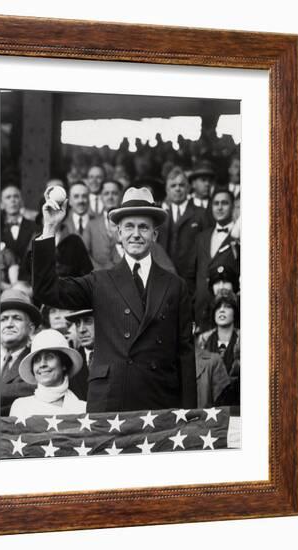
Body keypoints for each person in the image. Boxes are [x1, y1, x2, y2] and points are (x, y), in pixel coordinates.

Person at [32, 186, 197, 413]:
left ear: (155, 235)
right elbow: (46, 291)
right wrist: (50, 226)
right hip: (111, 403)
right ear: (118, 233)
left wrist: (189, 414)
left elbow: (185, 356)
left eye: (144, 227)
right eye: (129, 226)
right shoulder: (100, 281)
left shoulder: (175, 286)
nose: (136, 234)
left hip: (160, 403)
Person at [9, 329, 86, 416]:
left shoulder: (82, 408)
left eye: (49, 357)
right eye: (37, 360)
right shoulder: (21, 407)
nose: (42, 364)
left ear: (64, 364)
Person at [157, 166, 209, 295]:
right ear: (167, 190)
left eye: (181, 185)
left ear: (188, 188)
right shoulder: (160, 216)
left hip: (192, 280)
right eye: (173, 186)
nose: (178, 189)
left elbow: (206, 249)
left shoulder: (201, 214)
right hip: (165, 279)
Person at [193, 188, 240, 329]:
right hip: (201, 313)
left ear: (232, 207)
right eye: (216, 203)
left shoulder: (239, 238)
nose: (219, 207)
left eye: (224, 203)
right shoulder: (201, 237)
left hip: (227, 312)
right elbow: (191, 274)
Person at [0, 288, 42, 416]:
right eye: (3, 319)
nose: (9, 324)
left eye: (17, 318)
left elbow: (39, 388)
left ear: (31, 329)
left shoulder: (37, 359)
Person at [197, 290, 240, 406]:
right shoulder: (203, 340)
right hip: (210, 402)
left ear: (235, 312)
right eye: (218, 307)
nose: (221, 310)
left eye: (227, 307)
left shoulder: (243, 339)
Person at [0, 184, 37, 267]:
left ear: (21, 201)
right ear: (1, 204)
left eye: (16, 196)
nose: (13, 200)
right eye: (8, 197)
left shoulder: (34, 227)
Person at [64, 309, 95, 400]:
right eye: (77, 324)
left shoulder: (117, 357)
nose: (81, 330)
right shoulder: (70, 362)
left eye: (88, 321)